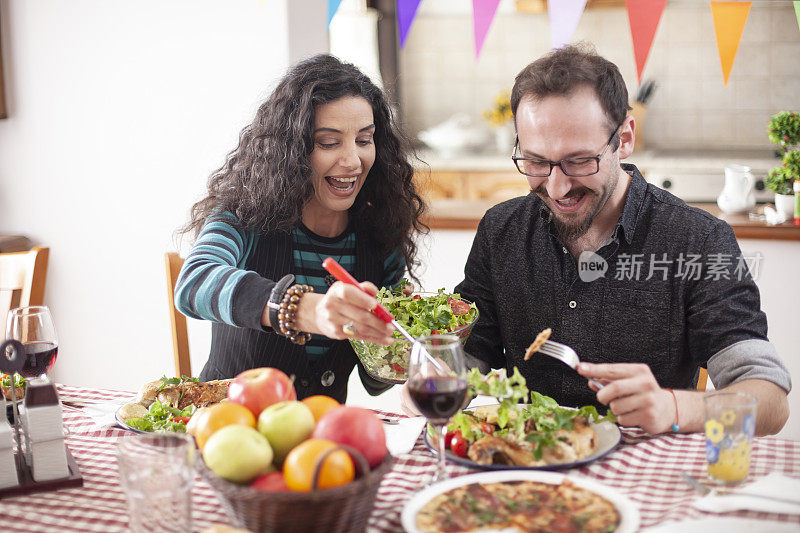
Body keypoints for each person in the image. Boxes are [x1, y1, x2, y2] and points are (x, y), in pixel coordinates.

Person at [452, 44, 790, 436]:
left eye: (579, 160)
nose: (557, 187)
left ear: (624, 138)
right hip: (529, 468)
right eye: (537, 162)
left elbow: (770, 404)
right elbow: (467, 355)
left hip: (645, 476)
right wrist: (427, 374)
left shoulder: (699, 241)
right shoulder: (501, 230)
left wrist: (674, 406)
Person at [175, 54, 426, 402]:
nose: (353, 161)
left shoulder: (380, 233)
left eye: (364, 140)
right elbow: (193, 283)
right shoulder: (243, 215)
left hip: (321, 443)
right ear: (291, 149)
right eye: (328, 142)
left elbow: (378, 378)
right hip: (227, 428)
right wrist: (303, 309)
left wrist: (411, 352)